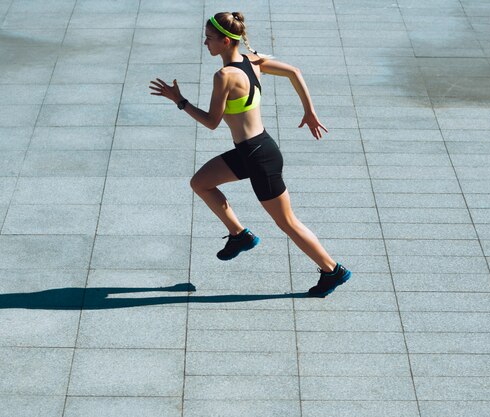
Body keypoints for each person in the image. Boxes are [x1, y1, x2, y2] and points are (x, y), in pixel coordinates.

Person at [149, 11, 351, 297]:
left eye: (209, 38)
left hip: (258, 157)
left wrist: (179, 101)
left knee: (288, 223)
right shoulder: (252, 61)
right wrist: (309, 110)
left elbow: (211, 122)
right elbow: (295, 72)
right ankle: (240, 235)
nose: (205, 43)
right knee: (201, 183)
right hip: (253, 150)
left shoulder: (225, 76)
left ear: (226, 41)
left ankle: (333, 271)